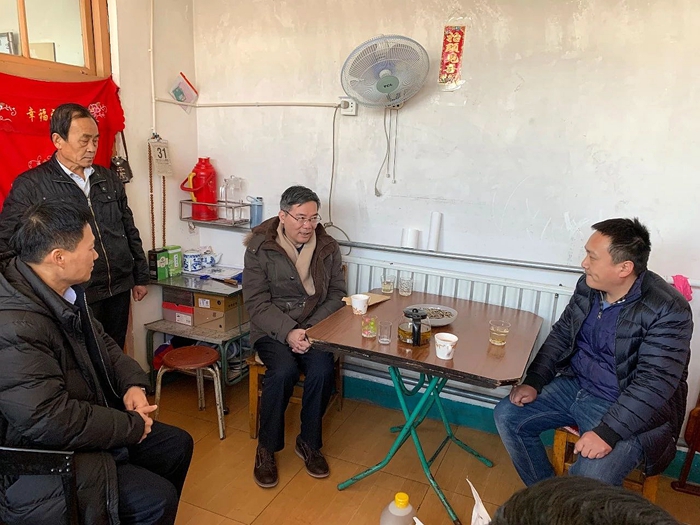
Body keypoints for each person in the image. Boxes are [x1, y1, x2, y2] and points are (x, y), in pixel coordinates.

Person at [0, 201, 193, 525]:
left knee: (176, 445)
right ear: (59, 257)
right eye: (90, 248)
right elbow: (49, 420)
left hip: (84, 418)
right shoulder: (15, 327)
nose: (96, 256)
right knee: (157, 500)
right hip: (39, 455)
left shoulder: (64, 290)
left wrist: (132, 383)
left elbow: (103, 342)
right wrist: (130, 427)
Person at [494, 218, 692, 487]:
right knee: (507, 415)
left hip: (622, 404)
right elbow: (562, 333)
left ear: (624, 268)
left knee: (590, 477)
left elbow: (655, 383)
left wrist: (608, 433)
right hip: (576, 385)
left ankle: (567, 503)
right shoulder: (588, 286)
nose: (584, 263)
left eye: (592, 257)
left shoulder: (667, 309)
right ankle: (546, 495)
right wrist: (535, 380)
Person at [0, 103, 149, 350]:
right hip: (71, 293)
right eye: (84, 140)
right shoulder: (32, 186)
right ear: (58, 140)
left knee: (114, 353)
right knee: (82, 357)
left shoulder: (108, 179)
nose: (92, 148)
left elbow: (128, 227)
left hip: (118, 287)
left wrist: (140, 276)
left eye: (96, 140)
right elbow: (7, 242)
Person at [243, 185, 346, 488]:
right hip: (272, 328)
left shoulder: (327, 247)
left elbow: (337, 294)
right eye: (301, 218)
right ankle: (266, 449)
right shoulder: (259, 247)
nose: (307, 226)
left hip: (314, 326)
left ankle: (309, 443)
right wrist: (288, 331)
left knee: (322, 370)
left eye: (313, 218)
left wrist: (309, 329)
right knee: (283, 371)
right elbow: (256, 303)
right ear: (283, 216)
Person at [489, 476, 682, 525]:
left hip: (630, 428)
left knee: (592, 471)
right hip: (580, 398)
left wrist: (607, 433)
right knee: (508, 417)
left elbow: (652, 393)